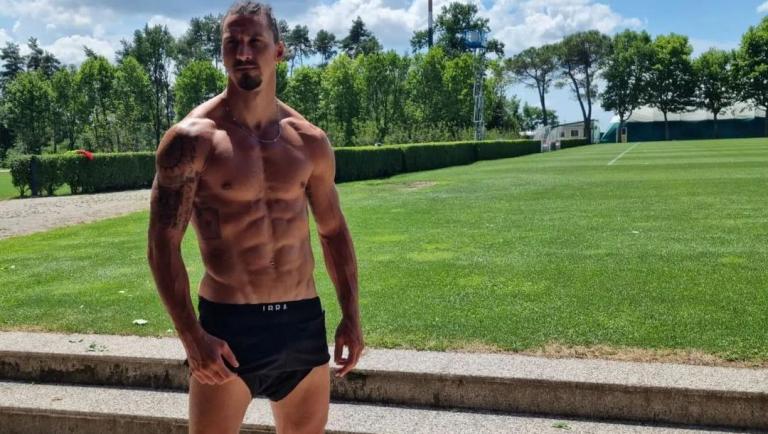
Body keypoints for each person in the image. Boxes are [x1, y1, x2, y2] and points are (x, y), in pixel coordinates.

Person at [146, 2, 363, 433]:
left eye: (255, 41)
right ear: (222, 52)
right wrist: (192, 337)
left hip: (301, 324)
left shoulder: (309, 141)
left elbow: (333, 230)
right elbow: (162, 245)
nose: (243, 52)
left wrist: (351, 316)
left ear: (278, 51)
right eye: (233, 43)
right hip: (230, 327)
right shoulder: (192, 141)